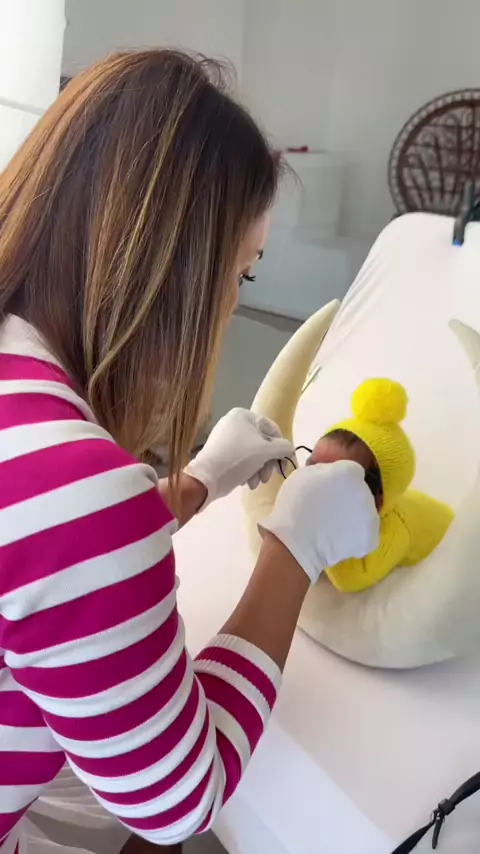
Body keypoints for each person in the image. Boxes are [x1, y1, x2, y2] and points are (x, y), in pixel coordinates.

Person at [0, 50, 379, 854]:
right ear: (173, 274)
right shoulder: (75, 491)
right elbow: (177, 800)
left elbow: (36, 561)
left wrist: (197, 481)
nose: (232, 304)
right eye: (241, 273)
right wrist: (295, 549)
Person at [307, 378, 453, 593]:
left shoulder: (392, 533)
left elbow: (352, 579)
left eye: (335, 482)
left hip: (450, 541)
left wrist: (319, 533)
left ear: (377, 500)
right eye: (311, 466)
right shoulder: (374, 501)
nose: (312, 484)